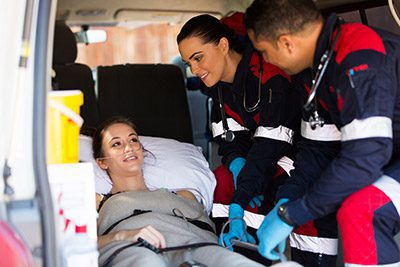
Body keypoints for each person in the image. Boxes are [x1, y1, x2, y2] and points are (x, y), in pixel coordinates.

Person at [244, 0, 400, 266]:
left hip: (384, 158)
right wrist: (286, 203)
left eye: (264, 51)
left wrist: (294, 214)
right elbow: (318, 152)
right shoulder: (320, 69)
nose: (267, 61)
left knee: (362, 209)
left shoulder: (358, 55)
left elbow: (365, 157)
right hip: (390, 159)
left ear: (286, 43)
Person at [177, 14, 301, 254]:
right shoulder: (219, 91)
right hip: (262, 156)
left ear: (223, 45)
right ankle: (234, 250)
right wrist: (236, 164)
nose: (194, 69)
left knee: (261, 186)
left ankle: (263, 250)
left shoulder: (270, 77)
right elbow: (229, 139)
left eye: (198, 58)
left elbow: (269, 148)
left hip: (294, 156)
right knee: (221, 181)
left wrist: (239, 201)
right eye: (188, 63)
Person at [93, 116, 265, 267]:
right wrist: (121, 236)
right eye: (116, 144)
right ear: (102, 162)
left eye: (133, 140)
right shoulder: (97, 201)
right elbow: (75, 244)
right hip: (131, 249)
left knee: (224, 259)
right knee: (146, 262)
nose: (128, 147)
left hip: (194, 245)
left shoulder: (184, 195)